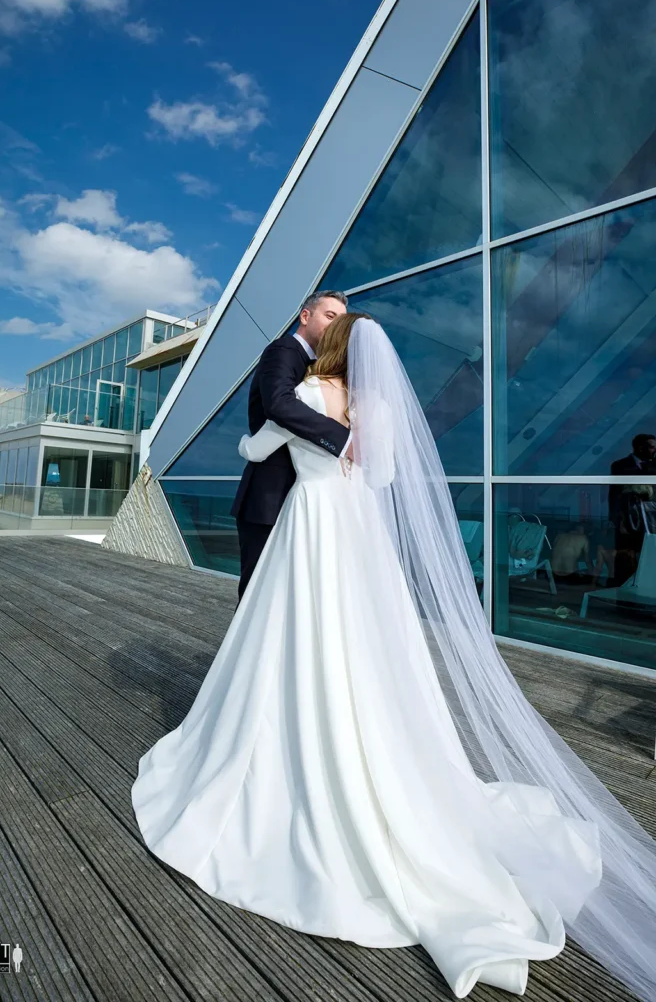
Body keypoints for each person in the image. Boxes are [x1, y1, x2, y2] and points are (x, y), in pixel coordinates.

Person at [132, 315, 656, 1001]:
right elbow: (378, 474)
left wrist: (266, 429)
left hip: (311, 524)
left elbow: (258, 446)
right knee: (363, 644)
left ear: (328, 347)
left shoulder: (313, 396)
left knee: (290, 636)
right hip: (356, 530)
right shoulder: (374, 406)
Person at [230, 290, 351, 601]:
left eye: (340, 321)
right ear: (305, 316)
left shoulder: (321, 369)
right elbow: (280, 405)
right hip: (269, 494)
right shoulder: (284, 350)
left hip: (303, 496)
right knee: (259, 593)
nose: (334, 325)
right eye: (329, 316)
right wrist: (342, 439)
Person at [609, 435, 656, 586]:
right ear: (640, 447)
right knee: (626, 557)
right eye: (652, 447)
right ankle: (624, 591)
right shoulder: (620, 465)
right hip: (628, 520)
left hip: (650, 520)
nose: (655, 450)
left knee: (649, 553)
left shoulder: (654, 465)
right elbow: (614, 494)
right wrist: (615, 519)